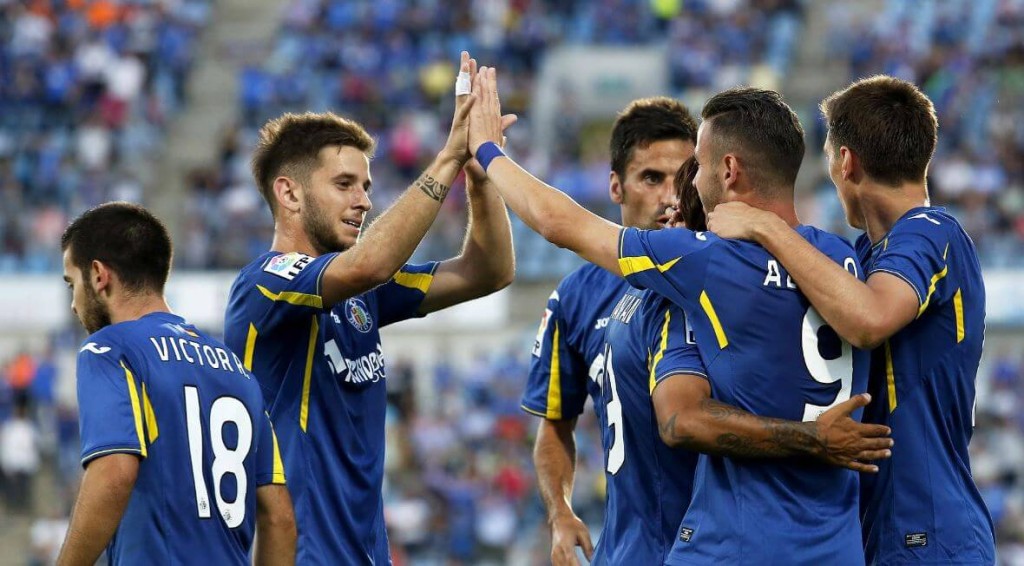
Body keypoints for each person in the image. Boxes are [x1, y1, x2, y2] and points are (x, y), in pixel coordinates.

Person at [466, 70, 892, 564]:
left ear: (728, 170)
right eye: (655, 177)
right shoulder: (845, 260)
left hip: (734, 541)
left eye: (697, 167)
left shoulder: (704, 261)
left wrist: (488, 152)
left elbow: (559, 223)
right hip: (832, 544)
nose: (679, 191)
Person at [223, 52, 515, 564]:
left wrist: (478, 174)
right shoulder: (264, 285)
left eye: (365, 187)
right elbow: (371, 263)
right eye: (343, 185)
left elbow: (488, 270)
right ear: (288, 193)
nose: (363, 201)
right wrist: (446, 157)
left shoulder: (359, 293)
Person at [706, 75, 995, 564]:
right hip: (876, 530)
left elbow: (870, 319)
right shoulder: (862, 256)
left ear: (846, 161)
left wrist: (764, 225)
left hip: (930, 530)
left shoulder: (931, 231)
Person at [56, 202, 296, 566]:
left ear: (99, 275)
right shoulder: (237, 370)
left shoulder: (110, 349)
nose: (74, 304)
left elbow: (114, 472)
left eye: (72, 284)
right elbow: (279, 519)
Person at [522, 97, 698, 565]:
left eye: (683, 178)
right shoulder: (576, 297)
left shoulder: (724, 272)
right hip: (629, 550)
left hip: (718, 545)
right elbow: (554, 423)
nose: (671, 197)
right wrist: (559, 511)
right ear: (616, 187)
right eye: (652, 178)